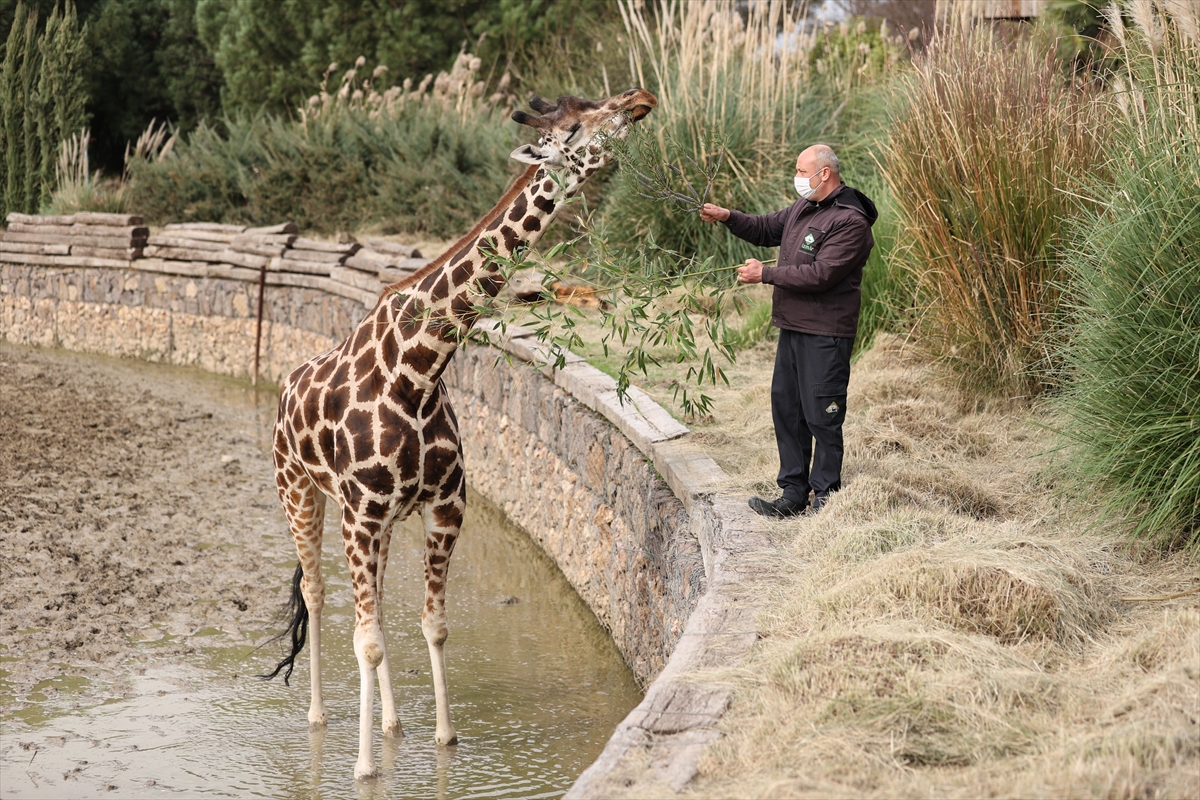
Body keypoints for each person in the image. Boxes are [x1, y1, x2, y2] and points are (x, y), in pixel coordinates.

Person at [700, 144, 877, 518]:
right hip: (793, 327)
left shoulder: (850, 221)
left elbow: (821, 274)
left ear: (824, 173)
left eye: (801, 171)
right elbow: (766, 229)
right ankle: (792, 494)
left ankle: (826, 496)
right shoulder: (804, 207)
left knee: (822, 414)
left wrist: (764, 274)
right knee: (788, 410)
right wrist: (727, 216)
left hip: (826, 333)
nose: (797, 178)